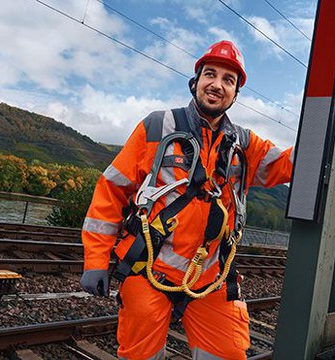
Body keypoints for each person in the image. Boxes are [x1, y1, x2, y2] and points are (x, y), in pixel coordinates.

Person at [80, 40, 293, 360]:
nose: (217, 85)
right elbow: (111, 190)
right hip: (148, 270)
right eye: (211, 74)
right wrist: (96, 260)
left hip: (211, 276)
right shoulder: (157, 127)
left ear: (236, 94)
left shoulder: (245, 146)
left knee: (228, 353)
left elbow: (291, 165)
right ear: (196, 81)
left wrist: (327, 125)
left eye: (228, 80)